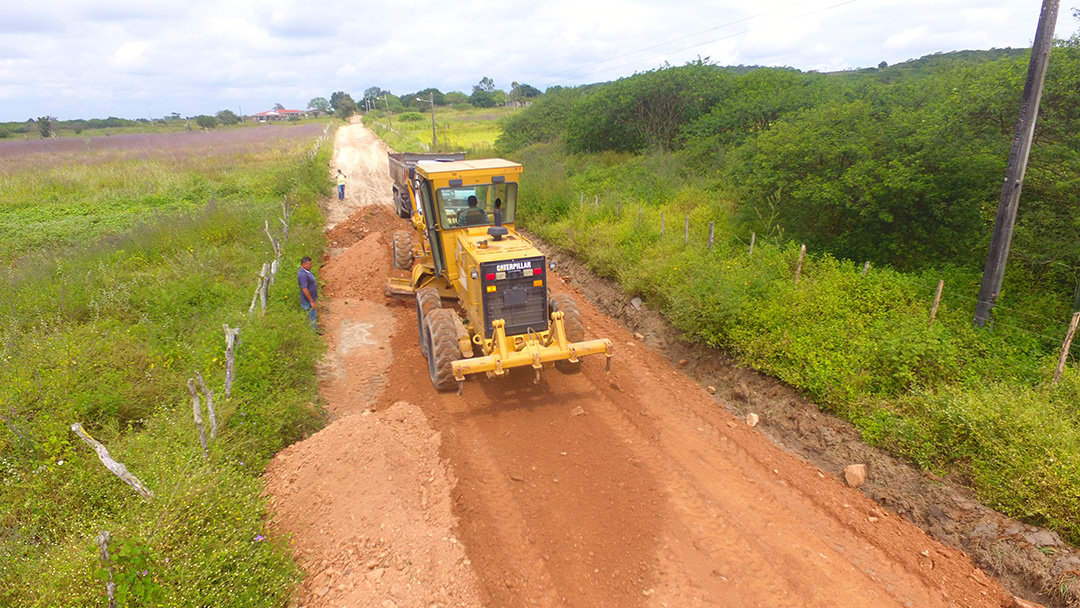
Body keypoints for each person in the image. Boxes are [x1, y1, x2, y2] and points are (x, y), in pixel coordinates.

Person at [298, 256, 320, 333]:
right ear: (304, 264)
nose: (311, 265)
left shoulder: (306, 271)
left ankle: (314, 331)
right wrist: (311, 301)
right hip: (307, 301)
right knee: (311, 317)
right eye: (309, 264)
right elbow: (304, 289)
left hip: (310, 300)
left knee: (313, 316)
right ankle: (312, 334)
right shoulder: (303, 275)